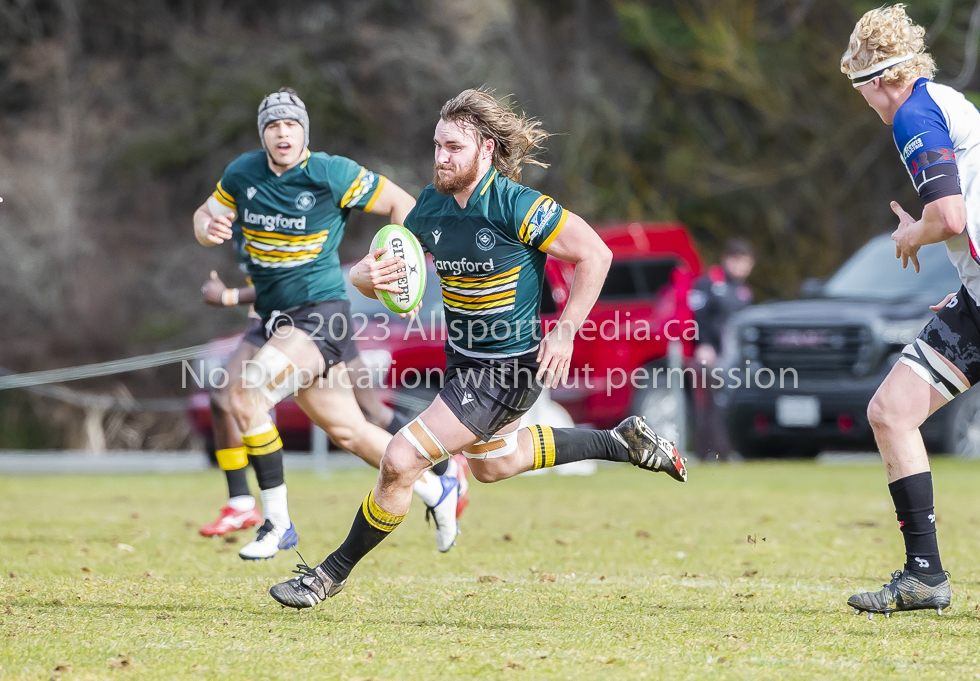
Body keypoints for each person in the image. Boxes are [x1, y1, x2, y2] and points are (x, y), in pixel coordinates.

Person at [268, 88, 688, 609]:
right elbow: (389, 273)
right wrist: (362, 276)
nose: (441, 157)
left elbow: (595, 254)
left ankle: (326, 576)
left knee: (400, 459)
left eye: (454, 147)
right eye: (437, 146)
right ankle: (618, 442)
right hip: (464, 363)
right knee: (494, 465)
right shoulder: (429, 207)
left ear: (485, 150)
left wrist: (566, 331)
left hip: (509, 368)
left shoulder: (517, 205)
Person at [193, 88, 462, 558]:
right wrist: (206, 228)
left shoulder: (331, 173)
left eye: (291, 124)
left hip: (322, 316)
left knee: (246, 393)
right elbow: (204, 215)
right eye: (273, 125)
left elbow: (401, 203)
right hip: (279, 321)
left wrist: (403, 272)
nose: (282, 132)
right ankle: (436, 490)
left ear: (304, 132)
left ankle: (276, 523)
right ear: (263, 134)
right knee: (351, 432)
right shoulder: (243, 174)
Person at [839, 5, 971, 617]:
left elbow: (950, 218)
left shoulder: (914, 111)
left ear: (873, 82)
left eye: (858, 86)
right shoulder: (936, 99)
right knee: (892, 411)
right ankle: (925, 576)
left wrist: (911, 236)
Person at [688, 238, 754, 460]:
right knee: (710, 403)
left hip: (734, 357)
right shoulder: (708, 283)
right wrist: (703, 345)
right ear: (726, 260)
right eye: (737, 261)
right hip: (711, 353)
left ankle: (726, 449)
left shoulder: (743, 291)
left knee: (729, 401)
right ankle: (711, 451)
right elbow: (698, 317)